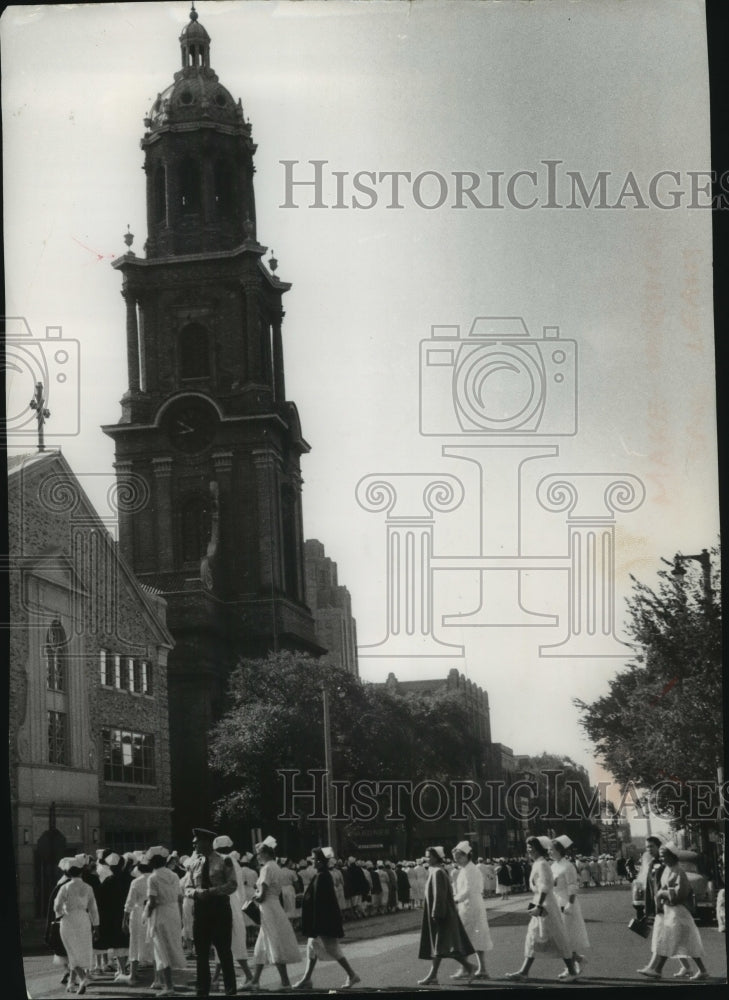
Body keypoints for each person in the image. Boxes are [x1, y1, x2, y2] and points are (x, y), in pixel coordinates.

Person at [504, 836, 579, 983]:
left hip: (546, 905)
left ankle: (571, 970)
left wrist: (539, 905)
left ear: (538, 848)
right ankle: (524, 971)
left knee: (558, 936)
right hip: (540, 903)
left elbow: (546, 885)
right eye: (528, 847)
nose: (528, 850)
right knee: (533, 936)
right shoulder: (537, 864)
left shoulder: (543, 864)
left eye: (531, 847)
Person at [638, 842, 710, 981]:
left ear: (672, 856)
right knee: (684, 940)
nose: (662, 859)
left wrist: (662, 893)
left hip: (678, 911)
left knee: (670, 938)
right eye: (661, 856)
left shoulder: (679, 871)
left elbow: (680, 894)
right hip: (669, 910)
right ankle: (702, 970)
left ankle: (657, 970)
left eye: (665, 856)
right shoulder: (668, 869)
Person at [293, 847, 361, 990]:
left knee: (331, 948)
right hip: (323, 918)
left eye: (313, 859)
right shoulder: (321, 875)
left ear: (319, 861)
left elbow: (321, 900)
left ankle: (351, 974)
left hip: (323, 919)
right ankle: (307, 978)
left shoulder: (323, 876)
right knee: (312, 947)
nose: (312, 862)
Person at [185, 827, 239, 997]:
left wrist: (212, 891)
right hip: (200, 909)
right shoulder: (194, 864)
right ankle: (202, 990)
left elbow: (232, 885)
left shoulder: (224, 860)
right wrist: (196, 893)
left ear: (206, 842)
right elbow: (186, 887)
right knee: (201, 952)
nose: (193, 845)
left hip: (219, 908)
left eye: (196, 842)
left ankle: (230, 990)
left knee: (224, 951)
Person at [247, 835, 301, 990]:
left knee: (273, 941)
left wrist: (254, 897)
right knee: (262, 945)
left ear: (265, 854)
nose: (257, 857)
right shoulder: (275, 866)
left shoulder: (266, 868)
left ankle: (285, 982)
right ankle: (255, 980)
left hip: (268, 907)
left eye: (259, 854)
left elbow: (262, 893)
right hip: (274, 905)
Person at [417, 846, 476, 986]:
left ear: (437, 857)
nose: (427, 859)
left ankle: (468, 967)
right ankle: (435, 975)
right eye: (426, 856)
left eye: (429, 856)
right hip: (441, 913)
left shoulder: (437, 872)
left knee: (443, 946)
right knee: (441, 947)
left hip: (442, 914)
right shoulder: (436, 871)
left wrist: (436, 912)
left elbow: (440, 895)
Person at [143, 845, 186, 997]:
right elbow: (179, 896)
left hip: (160, 913)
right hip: (173, 912)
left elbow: (152, 901)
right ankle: (164, 982)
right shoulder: (173, 875)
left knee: (161, 948)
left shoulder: (153, 878)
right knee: (170, 946)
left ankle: (168, 986)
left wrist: (146, 914)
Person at [54, 854, 100, 995]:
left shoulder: (65, 887)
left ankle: (83, 978)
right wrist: (96, 926)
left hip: (69, 919)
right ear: (81, 871)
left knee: (71, 951)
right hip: (84, 919)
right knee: (80, 949)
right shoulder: (88, 887)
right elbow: (93, 908)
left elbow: (57, 906)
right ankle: (71, 983)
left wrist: (61, 914)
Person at [212, 836, 253, 988]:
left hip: (225, 903)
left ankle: (248, 976)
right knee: (225, 942)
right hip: (233, 903)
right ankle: (215, 979)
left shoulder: (222, 861)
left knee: (227, 941)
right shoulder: (233, 861)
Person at [452, 841, 492, 979]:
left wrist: (455, 900)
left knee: (469, 937)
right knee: (473, 937)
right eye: (455, 857)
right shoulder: (464, 869)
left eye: (459, 857)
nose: (456, 860)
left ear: (466, 856)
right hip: (468, 905)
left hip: (472, 905)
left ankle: (467, 968)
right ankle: (481, 969)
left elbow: (468, 890)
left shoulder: (471, 869)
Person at [550, 835, 589, 977]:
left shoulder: (568, 866)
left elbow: (572, 886)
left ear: (559, 850)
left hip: (566, 902)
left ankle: (571, 966)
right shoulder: (553, 866)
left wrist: (570, 904)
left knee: (566, 937)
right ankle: (577, 960)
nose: (549, 852)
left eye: (551, 849)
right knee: (561, 937)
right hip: (556, 901)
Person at [120, 858, 154, 985]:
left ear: (139, 868)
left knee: (134, 942)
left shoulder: (136, 882)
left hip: (138, 912)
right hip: (153, 912)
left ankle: (133, 975)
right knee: (153, 942)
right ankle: (158, 977)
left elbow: (129, 903)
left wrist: (124, 920)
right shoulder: (156, 879)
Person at [46, 857, 72, 986]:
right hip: (66, 920)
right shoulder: (66, 884)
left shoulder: (61, 883)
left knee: (64, 948)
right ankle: (70, 973)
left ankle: (68, 971)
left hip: (61, 919)